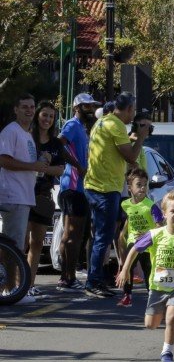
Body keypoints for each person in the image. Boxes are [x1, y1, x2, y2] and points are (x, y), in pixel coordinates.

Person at [116, 190, 174, 362]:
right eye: (173, 211)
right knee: (151, 324)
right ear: (165, 213)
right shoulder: (155, 234)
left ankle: (167, 352)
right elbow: (135, 248)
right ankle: (157, 319)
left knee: (172, 316)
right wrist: (125, 269)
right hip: (157, 287)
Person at [84, 92, 151, 298]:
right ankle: (93, 281)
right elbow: (131, 157)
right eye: (133, 112)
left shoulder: (102, 122)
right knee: (103, 237)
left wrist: (130, 138)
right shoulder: (116, 125)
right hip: (106, 188)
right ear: (129, 109)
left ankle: (96, 279)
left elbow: (113, 150)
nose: (133, 118)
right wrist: (140, 138)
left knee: (99, 237)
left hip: (95, 185)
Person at [0, 94, 50, 304]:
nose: (29, 110)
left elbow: (29, 167)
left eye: (31, 107)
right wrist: (33, 166)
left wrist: (41, 163)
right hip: (13, 194)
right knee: (12, 245)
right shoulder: (11, 131)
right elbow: (4, 160)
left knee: (15, 245)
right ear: (16, 109)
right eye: (24, 107)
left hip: (24, 195)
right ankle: (10, 290)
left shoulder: (26, 134)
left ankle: (11, 288)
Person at [56, 93, 98, 291]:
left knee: (70, 234)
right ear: (77, 108)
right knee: (74, 234)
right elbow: (59, 144)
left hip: (77, 187)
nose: (90, 109)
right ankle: (68, 278)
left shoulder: (82, 128)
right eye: (86, 106)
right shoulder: (72, 125)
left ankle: (67, 277)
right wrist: (77, 165)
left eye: (91, 106)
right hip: (73, 186)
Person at [26, 101, 67, 298]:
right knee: (20, 242)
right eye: (44, 115)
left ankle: (29, 284)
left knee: (37, 242)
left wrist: (42, 168)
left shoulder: (56, 143)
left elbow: (60, 170)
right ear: (37, 116)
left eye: (51, 116)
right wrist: (37, 165)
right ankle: (13, 283)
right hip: (23, 194)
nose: (47, 119)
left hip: (43, 196)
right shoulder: (27, 137)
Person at [116, 168, 164, 308]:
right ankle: (127, 295)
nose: (143, 188)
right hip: (133, 241)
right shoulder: (126, 204)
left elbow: (159, 226)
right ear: (130, 187)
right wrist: (123, 234)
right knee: (128, 266)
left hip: (149, 243)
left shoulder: (151, 206)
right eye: (139, 185)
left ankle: (152, 296)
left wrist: (148, 235)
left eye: (145, 184)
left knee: (148, 268)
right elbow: (130, 219)